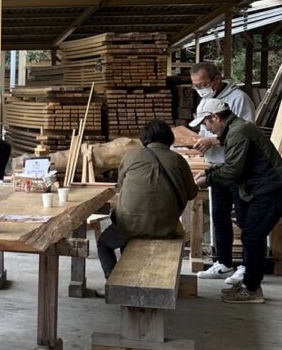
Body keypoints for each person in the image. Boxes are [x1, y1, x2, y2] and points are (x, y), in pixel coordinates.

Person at [193, 99, 282, 304]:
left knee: (252, 236)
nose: (206, 128)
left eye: (206, 123)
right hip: (263, 188)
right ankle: (250, 285)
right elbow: (233, 163)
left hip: (270, 189)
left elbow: (233, 171)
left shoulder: (238, 132)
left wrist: (208, 180)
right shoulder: (236, 129)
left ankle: (252, 290)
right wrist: (209, 171)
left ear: (216, 118)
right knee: (252, 235)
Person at [97, 120, 198, 278]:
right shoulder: (178, 160)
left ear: (144, 138)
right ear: (169, 138)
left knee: (104, 243)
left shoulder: (131, 156)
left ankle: (112, 279)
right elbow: (192, 193)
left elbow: (121, 185)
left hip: (129, 224)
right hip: (166, 226)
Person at [189, 62, 255, 284]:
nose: (200, 89)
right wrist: (198, 141)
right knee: (219, 215)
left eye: (203, 84)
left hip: (237, 166)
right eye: (196, 86)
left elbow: (246, 133)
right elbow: (203, 130)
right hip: (216, 165)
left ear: (216, 79)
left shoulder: (239, 99)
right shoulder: (206, 100)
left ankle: (247, 265)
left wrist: (212, 139)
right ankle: (224, 262)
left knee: (245, 219)